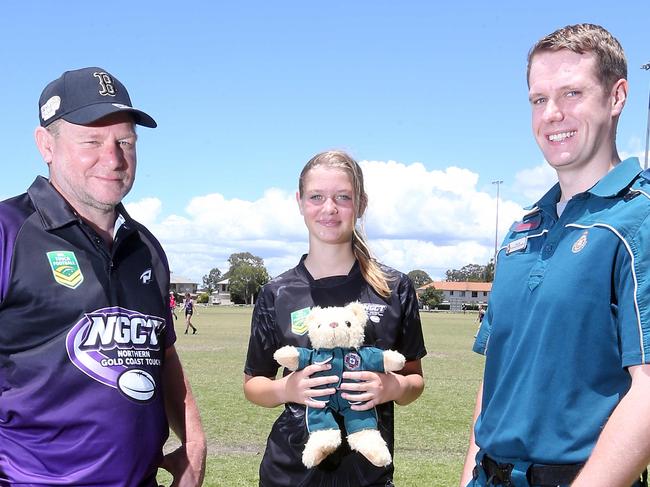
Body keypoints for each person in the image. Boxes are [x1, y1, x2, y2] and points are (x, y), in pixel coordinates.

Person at [460, 24, 650, 487]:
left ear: (617, 96)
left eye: (571, 93)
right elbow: (499, 374)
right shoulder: (521, 230)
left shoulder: (639, 219)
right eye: (538, 99)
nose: (552, 114)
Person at [0, 67, 206, 486]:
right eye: (91, 141)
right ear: (47, 145)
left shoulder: (145, 246)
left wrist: (195, 439)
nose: (113, 159)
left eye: (125, 141)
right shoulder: (7, 231)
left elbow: (161, 352)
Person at [243, 150, 427, 487]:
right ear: (300, 202)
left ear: (361, 204)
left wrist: (393, 386)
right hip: (289, 475)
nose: (329, 208)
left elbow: (415, 379)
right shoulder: (277, 292)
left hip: (368, 476)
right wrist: (287, 388)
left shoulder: (393, 287)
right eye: (317, 197)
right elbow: (254, 384)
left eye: (343, 197)